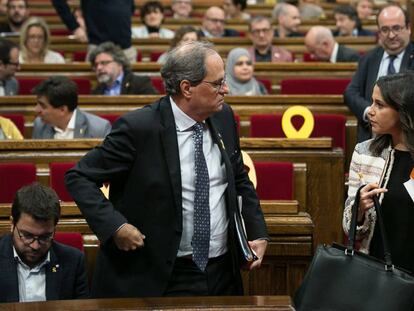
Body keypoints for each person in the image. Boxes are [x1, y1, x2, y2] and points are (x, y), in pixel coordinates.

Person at [65, 41, 268, 298]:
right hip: (161, 274)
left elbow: (239, 178)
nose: (226, 89)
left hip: (222, 271)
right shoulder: (138, 128)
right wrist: (115, 227)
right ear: (187, 88)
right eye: (217, 83)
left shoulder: (224, 117)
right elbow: (79, 176)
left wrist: (258, 232)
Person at [343, 72, 414, 274]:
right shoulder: (364, 154)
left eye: (379, 105)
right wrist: (359, 211)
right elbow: (350, 230)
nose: (370, 111)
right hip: (378, 271)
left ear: (403, 110)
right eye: (372, 102)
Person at [0, 183, 89, 302]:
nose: (35, 246)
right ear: (12, 224)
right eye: (27, 235)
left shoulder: (73, 261)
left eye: (45, 237)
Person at [344, 4, 414, 142]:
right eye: (385, 30)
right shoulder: (369, 58)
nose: (391, 35)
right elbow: (351, 92)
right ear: (379, 32)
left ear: (409, 28)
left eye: (396, 28)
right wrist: (370, 113)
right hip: (371, 138)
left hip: (407, 139)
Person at [51, 0, 137, 63]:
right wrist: (74, 27)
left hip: (126, 48)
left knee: (130, 86)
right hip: (98, 48)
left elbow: (130, 7)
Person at [32, 76, 111, 139]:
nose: (36, 109)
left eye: (43, 106)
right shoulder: (39, 125)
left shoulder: (99, 128)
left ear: (62, 110)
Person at [89, 42, 158, 95]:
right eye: (96, 65)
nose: (99, 68)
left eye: (104, 63)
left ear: (119, 64)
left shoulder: (140, 83)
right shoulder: (96, 91)